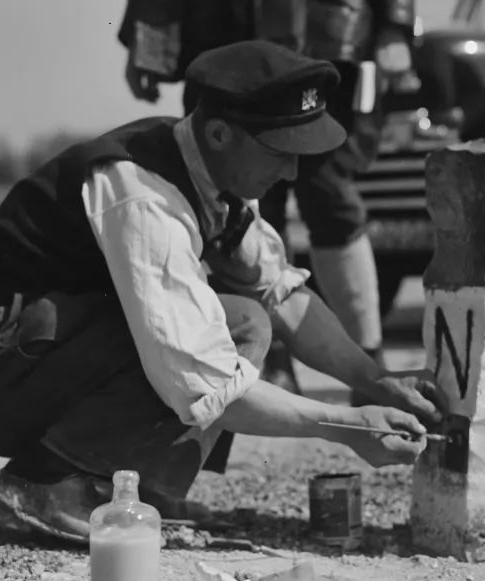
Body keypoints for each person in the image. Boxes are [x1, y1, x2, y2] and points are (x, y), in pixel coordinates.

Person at [0, 41, 447, 545]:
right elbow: (199, 376)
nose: (292, 170)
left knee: (247, 314)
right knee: (233, 326)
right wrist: (344, 425)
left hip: (41, 353)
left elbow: (283, 294)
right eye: (281, 152)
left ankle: (133, 490)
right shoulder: (145, 197)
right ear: (219, 134)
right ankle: (48, 483)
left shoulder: (217, 181)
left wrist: (376, 382)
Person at [118, 0, 418, 402]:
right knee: (242, 197)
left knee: (330, 196)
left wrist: (393, 28)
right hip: (230, 33)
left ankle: (367, 355)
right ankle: (273, 362)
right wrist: (150, 42)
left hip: (330, 36)